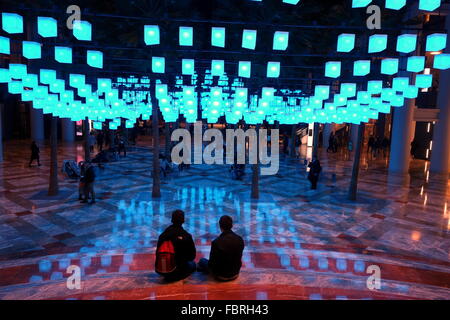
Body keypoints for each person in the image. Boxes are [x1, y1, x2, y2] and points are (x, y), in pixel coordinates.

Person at [197, 215, 245, 281]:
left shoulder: (216, 242)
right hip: (235, 273)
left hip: (221, 276)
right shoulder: (240, 239)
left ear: (220, 226)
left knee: (202, 261)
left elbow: (211, 264)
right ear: (232, 225)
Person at [155, 210, 196, 281]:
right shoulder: (187, 236)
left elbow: (157, 253)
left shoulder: (163, 235)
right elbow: (192, 256)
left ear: (172, 220)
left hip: (162, 271)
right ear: (183, 220)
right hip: (178, 272)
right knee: (193, 264)